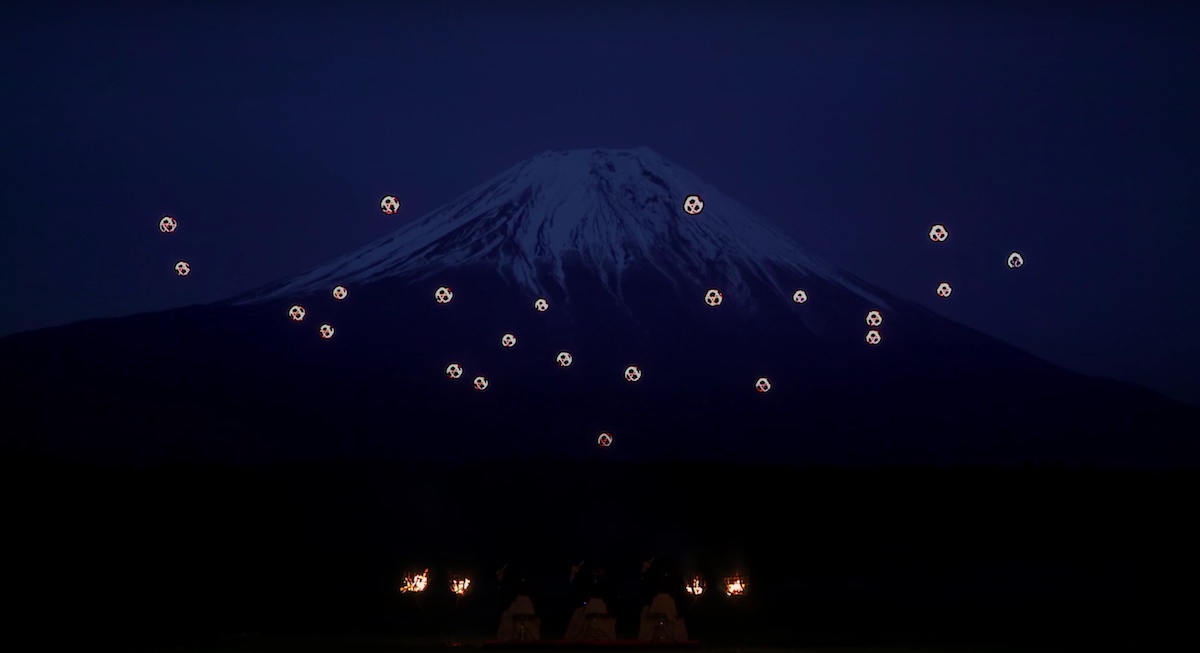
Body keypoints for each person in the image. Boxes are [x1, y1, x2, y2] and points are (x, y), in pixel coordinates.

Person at [637, 556, 689, 642]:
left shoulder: (653, 574)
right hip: (673, 604)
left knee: (647, 622)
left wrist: (644, 571)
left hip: (655, 603)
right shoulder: (674, 575)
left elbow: (645, 588)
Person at [564, 561, 618, 640]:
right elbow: (575, 587)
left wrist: (574, 573)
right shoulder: (604, 581)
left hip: (600, 610)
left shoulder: (597, 582)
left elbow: (574, 587)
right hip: (599, 609)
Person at [495, 563, 541, 642]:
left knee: (507, 621)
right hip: (527, 606)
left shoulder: (512, 577)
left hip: (516, 605)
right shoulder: (527, 578)